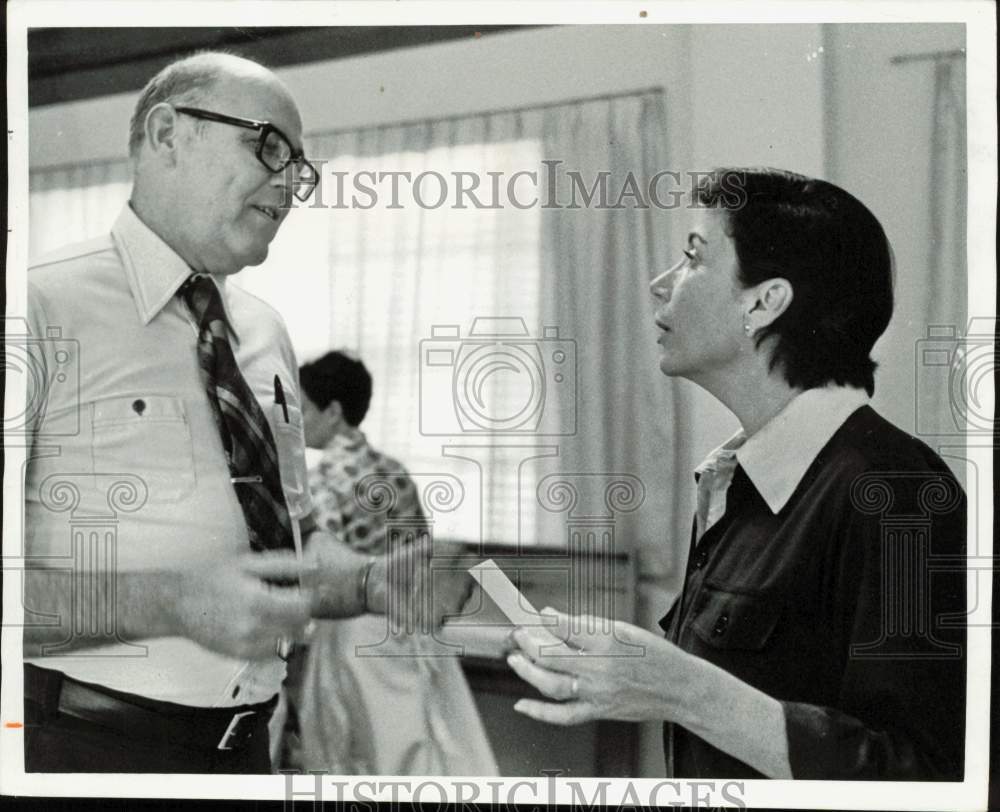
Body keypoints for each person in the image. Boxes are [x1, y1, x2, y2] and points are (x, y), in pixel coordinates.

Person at [21, 52, 463, 774]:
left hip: (247, 748)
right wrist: (168, 603)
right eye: (269, 147)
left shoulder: (264, 334)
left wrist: (370, 583)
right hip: (83, 747)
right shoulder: (37, 307)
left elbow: (293, 534)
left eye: (301, 167)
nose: (291, 182)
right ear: (168, 134)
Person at [506, 169, 966, 780]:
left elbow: (929, 774)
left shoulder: (897, 495)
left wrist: (684, 690)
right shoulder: (736, 480)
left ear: (763, 302)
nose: (659, 283)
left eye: (693, 257)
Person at [273, 350, 497, 775]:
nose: (295, 419)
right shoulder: (394, 472)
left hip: (352, 629)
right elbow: (422, 561)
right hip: (409, 629)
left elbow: (315, 568)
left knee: (348, 759)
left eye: (302, 407)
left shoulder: (321, 480)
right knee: (412, 757)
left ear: (334, 411)